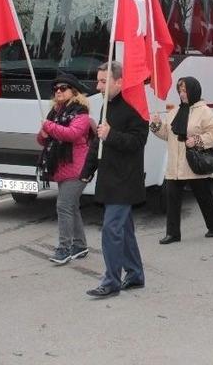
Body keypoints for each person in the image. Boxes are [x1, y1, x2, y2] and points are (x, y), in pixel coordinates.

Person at [80, 62, 148, 298]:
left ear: (119, 82)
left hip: (125, 180)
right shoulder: (105, 107)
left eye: (103, 81)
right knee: (124, 230)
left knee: (111, 230)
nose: (98, 86)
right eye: (98, 81)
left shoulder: (135, 107)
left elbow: (138, 142)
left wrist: (112, 134)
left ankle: (111, 281)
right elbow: (97, 142)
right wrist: (87, 170)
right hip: (109, 178)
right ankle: (135, 274)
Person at [150, 77, 213, 244]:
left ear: (194, 90)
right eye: (180, 90)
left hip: (193, 163)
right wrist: (156, 126)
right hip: (175, 164)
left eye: (185, 90)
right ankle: (173, 234)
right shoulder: (175, 111)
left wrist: (197, 140)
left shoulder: (204, 111)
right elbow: (167, 135)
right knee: (172, 199)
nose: (182, 94)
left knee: (204, 197)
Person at [36, 73, 94, 264]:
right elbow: (42, 139)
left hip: (78, 168)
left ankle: (64, 249)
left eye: (63, 88)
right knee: (71, 207)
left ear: (73, 91)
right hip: (61, 168)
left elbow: (72, 134)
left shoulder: (81, 114)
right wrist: (44, 133)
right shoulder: (55, 113)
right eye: (56, 89)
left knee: (63, 206)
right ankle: (79, 246)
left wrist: (49, 127)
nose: (58, 91)